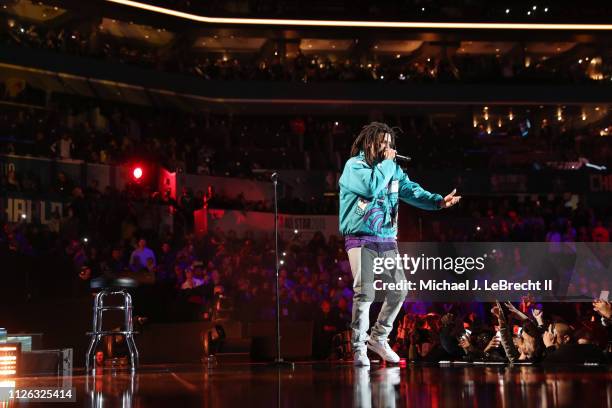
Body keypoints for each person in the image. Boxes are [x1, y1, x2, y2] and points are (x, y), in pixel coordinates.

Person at [339, 122, 460, 366]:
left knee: (399, 289)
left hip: (386, 238)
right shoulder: (355, 166)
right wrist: (387, 163)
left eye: (389, 143)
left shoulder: (392, 169)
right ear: (369, 142)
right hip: (361, 237)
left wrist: (437, 202)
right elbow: (371, 187)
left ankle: (379, 338)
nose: (387, 147)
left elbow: (410, 190)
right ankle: (359, 347)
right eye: (382, 142)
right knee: (366, 292)